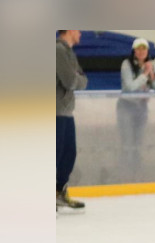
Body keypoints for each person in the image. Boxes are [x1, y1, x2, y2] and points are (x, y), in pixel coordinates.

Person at [117, 37, 155, 182]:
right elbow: (130, 87)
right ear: (134, 51)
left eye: (144, 49)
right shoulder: (126, 64)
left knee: (138, 143)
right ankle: (125, 172)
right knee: (127, 142)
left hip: (142, 108)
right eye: (139, 49)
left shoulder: (150, 65)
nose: (142, 52)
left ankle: (137, 172)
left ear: (148, 51)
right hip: (126, 107)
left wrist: (152, 74)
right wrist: (144, 74)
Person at [56, 30, 87, 213]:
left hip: (66, 111)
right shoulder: (57, 50)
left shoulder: (69, 52)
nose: (80, 33)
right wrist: (77, 78)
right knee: (56, 155)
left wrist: (77, 78)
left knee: (69, 154)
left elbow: (83, 78)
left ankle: (58, 192)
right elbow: (70, 80)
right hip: (55, 110)